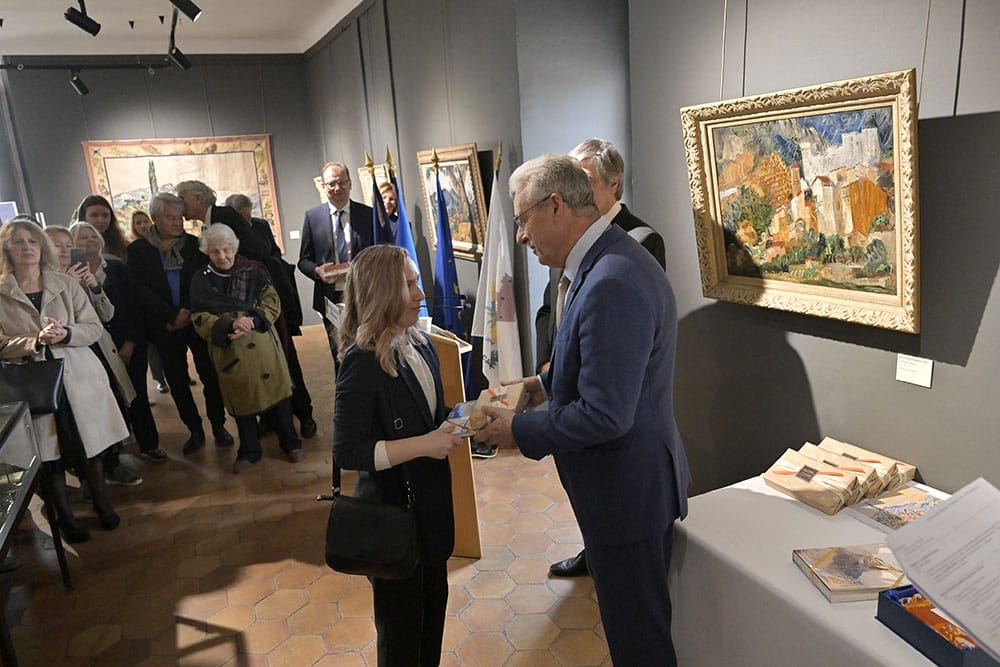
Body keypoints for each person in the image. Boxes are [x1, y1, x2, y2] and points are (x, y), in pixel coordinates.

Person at [473, 154, 691, 666]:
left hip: (627, 498)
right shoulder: (600, 263)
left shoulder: (612, 279)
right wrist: (541, 385)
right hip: (622, 491)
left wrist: (519, 430)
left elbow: (606, 413)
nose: (520, 236)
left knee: (640, 645)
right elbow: (600, 363)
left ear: (555, 206)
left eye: (523, 219)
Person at [538, 138, 667, 578]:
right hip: (576, 397)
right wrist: (548, 370)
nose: (574, 187)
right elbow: (555, 304)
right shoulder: (576, 241)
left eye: (585, 179)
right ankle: (593, 549)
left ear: (613, 185)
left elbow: (619, 343)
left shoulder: (633, 245)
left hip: (620, 455)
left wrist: (519, 430)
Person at [333, 244, 462, 666]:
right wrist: (426, 444)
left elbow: (429, 417)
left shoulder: (421, 343)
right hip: (392, 519)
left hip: (430, 511)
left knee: (432, 615)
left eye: (417, 282)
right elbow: (348, 450)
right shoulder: (362, 361)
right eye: (408, 285)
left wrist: (470, 416)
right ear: (381, 292)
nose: (420, 293)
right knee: (401, 632)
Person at [0, 217, 126, 543]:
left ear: (41, 247)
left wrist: (66, 333)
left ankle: (101, 503)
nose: (27, 247)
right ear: (6, 249)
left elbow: (93, 326)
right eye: (18, 242)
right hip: (34, 383)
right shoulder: (1, 293)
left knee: (91, 446)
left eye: (32, 241)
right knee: (49, 454)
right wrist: (34, 341)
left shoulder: (65, 283)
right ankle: (65, 518)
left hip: (78, 377)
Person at [127, 192, 234, 455]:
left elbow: (203, 280)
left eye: (179, 217)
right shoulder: (139, 250)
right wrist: (170, 316)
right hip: (164, 327)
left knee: (210, 376)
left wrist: (186, 311)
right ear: (155, 218)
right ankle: (195, 430)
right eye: (170, 218)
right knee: (177, 381)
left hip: (196, 321)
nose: (178, 223)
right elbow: (139, 290)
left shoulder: (194, 245)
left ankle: (218, 425)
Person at [190, 224, 303, 473]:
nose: (222, 256)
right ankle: (250, 451)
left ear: (234, 248)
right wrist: (229, 324)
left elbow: (272, 301)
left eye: (226, 249)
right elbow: (199, 317)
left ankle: (291, 442)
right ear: (207, 252)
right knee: (242, 401)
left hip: (262, 343)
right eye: (215, 251)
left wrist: (252, 320)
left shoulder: (253, 270)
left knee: (279, 398)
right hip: (231, 350)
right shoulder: (201, 280)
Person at [73, 221, 167, 466]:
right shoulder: (67, 276)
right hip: (94, 350)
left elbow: (135, 306)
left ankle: (149, 443)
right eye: (82, 237)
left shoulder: (116, 267)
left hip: (129, 342)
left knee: (137, 395)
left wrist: (130, 343)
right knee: (107, 399)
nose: (90, 240)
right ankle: (114, 454)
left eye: (93, 235)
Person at [224, 193, 317, 438]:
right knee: (259, 367)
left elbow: (273, 254)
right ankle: (270, 418)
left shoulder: (261, 226)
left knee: (288, 361)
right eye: (242, 219)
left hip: (273, 304)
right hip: (246, 310)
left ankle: (304, 414)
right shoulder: (227, 234)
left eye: (248, 217)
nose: (246, 222)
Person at [298, 161, 374, 364]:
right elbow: (303, 260)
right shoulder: (312, 217)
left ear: (350, 184)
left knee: (367, 347)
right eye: (331, 183)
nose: (337, 188)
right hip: (330, 297)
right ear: (323, 186)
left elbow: (379, 253)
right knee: (339, 352)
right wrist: (317, 271)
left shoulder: (367, 215)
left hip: (364, 294)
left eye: (342, 182)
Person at [130, 210, 170, 395]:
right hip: (145, 309)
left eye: (145, 221)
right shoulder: (133, 248)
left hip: (163, 304)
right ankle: (160, 379)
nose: (142, 226)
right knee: (153, 349)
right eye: (138, 223)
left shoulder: (160, 245)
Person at [74, 194, 129, 260]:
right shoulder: (72, 246)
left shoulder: (122, 244)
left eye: (105, 215)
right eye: (94, 215)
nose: (101, 220)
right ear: (83, 217)